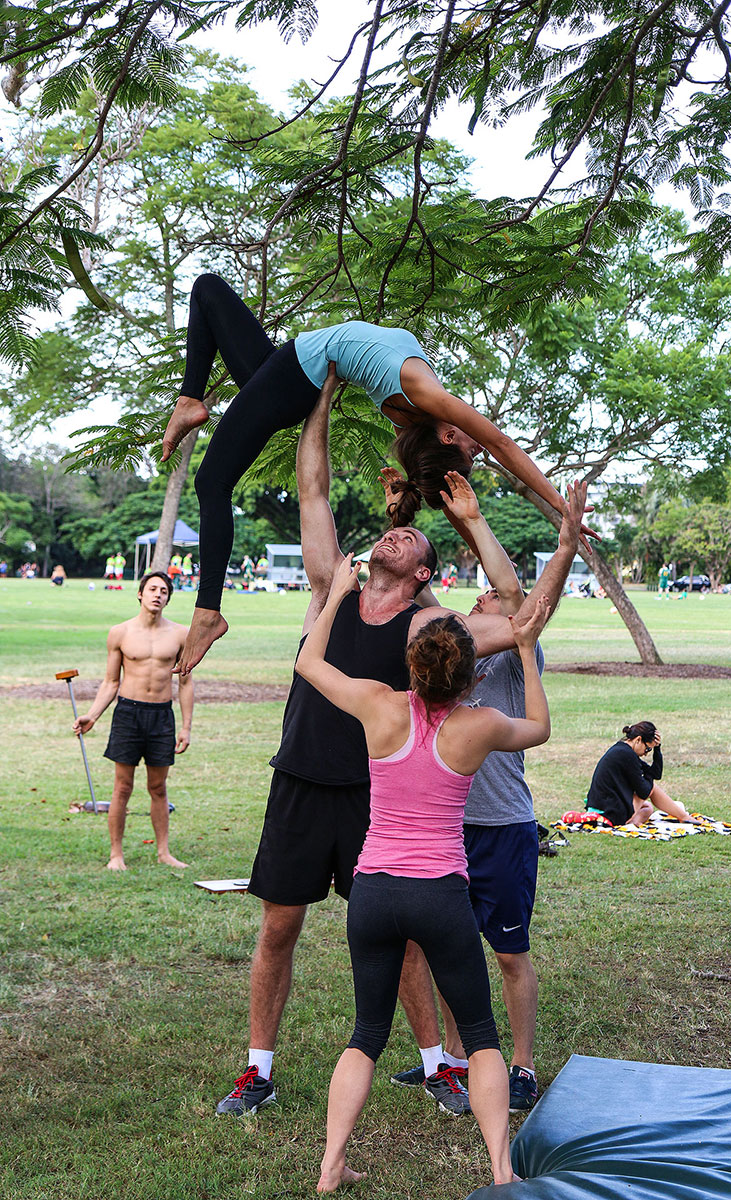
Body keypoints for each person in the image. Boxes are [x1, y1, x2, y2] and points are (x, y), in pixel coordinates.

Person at [214, 379, 588, 1119]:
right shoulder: (330, 586)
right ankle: (257, 1070)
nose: (395, 533)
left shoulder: (429, 629)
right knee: (279, 926)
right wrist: (316, 394)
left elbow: (517, 612)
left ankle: (437, 1064)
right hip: (297, 781)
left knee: (407, 937)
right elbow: (313, 489)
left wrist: (498, 527)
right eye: (394, 530)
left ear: (423, 574)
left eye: (411, 539)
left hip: (371, 798)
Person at [159, 273, 599, 673]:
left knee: (210, 483)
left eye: (471, 447)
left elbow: (504, 445)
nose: (478, 443)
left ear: (450, 438)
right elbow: (445, 495)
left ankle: (208, 610)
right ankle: (189, 399)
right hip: (292, 370)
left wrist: (561, 508)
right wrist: (440, 510)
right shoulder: (411, 423)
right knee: (208, 290)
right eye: (474, 448)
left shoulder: (428, 395)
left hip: (299, 375)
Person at [295, 555, 552, 1192]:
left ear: (411, 667)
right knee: (482, 1037)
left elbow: (307, 663)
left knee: (366, 1035)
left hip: (374, 893)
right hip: (439, 896)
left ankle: (330, 1167)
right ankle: (499, 1170)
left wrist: (337, 596)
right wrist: (521, 646)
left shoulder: (379, 707)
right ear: (470, 676)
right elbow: (541, 729)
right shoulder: (479, 725)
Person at [389, 473, 583, 1115]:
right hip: (443, 828)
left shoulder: (513, 657)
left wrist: (474, 522)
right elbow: (410, 594)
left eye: (489, 605)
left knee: (508, 951)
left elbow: (517, 597)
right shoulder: (447, 655)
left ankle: (521, 1065)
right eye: (471, 605)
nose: (478, 606)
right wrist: (404, 512)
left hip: (501, 826)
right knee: (448, 950)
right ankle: (453, 1060)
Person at [73, 571, 194, 871]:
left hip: (161, 716)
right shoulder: (120, 633)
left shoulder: (181, 634)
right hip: (128, 713)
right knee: (122, 787)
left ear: (168, 598)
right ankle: (116, 854)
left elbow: (187, 683)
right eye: (152, 589)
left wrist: (187, 726)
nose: (157, 595)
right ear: (140, 594)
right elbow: (111, 681)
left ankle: (164, 852)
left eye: (164, 591)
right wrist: (93, 715)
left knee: (159, 787)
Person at [585, 722, 698, 828]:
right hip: (610, 813)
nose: (646, 754)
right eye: (647, 749)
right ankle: (684, 817)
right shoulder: (627, 755)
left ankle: (631, 823)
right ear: (638, 740)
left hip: (601, 808)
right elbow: (644, 791)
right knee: (651, 788)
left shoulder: (622, 750)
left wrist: (657, 749)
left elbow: (655, 774)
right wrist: (649, 780)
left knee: (648, 808)